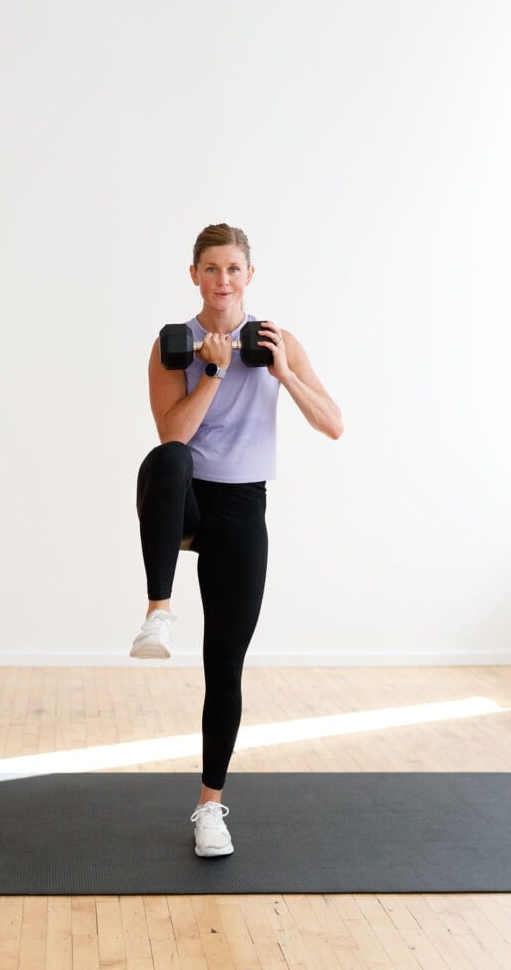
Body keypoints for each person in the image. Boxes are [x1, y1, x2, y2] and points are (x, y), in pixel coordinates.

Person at [131, 223, 343, 857]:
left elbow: (333, 423)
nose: (222, 280)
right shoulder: (174, 345)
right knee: (164, 461)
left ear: (249, 276)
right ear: (193, 276)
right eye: (211, 269)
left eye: (233, 269)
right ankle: (158, 613)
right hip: (188, 498)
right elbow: (174, 434)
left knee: (225, 666)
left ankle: (209, 806)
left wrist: (282, 372)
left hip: (244, 507)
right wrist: (214, 373)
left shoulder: (277, 340)